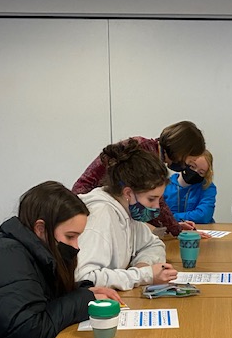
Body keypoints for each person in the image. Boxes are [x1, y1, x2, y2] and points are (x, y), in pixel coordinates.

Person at [0, 181, 121, 338]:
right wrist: (83, 299)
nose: (76, 246)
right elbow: (31, 333)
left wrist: (85, 291)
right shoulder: (9, 256)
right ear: (40, 228)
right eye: (70, 236)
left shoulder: (33, 253)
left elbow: (45, 300)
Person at [75, 139, 178, 291]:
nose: (156, 207)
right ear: (128, 193)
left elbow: (153, 244)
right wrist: (142, 275)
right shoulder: (100, 216)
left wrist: (143, 264)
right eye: (151, 199)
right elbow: (84, 278)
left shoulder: (128, 212)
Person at [72, 121, 206, 236]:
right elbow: (156, 201)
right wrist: (175, 229)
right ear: (181, 150)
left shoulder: (148, 147)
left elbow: (153, 202)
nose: (187, 165)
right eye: (190, 159)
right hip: (92, 208)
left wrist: (174, 226)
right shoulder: (146, 152)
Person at [163, 150, 216, 224]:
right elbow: (158, 214)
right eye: (192, 166)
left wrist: (172, 217)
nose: (195, 172)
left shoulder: (207, 187)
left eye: (201, 172)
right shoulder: (165, 185)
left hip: (201, 230)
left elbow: (203, 216)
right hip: (170, 231)